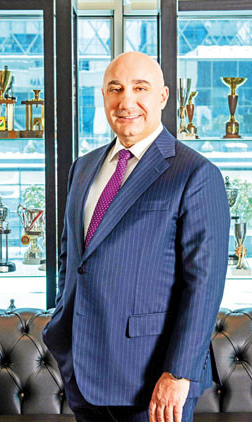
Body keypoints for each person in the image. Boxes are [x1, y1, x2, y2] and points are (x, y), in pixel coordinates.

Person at [42, 51, 229, 422]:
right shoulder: (83, 168)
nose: (126, 101)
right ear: (103, 96)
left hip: (152, 379)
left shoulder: (195, 173)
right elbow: (72, 257)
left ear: (163, 96)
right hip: (82, 371)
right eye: (116, 89)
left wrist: (178, 373)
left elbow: (204, 286)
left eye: (140, 88)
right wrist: (62, 321)